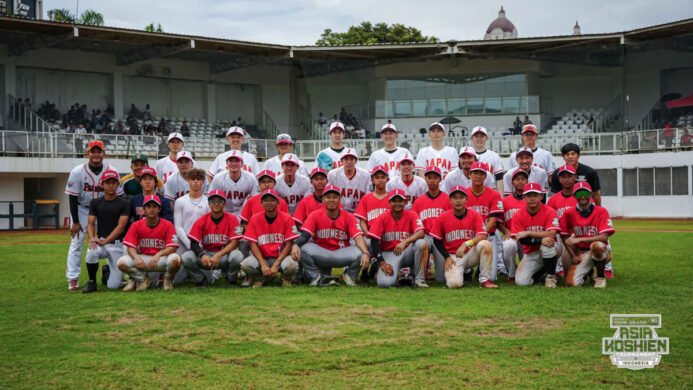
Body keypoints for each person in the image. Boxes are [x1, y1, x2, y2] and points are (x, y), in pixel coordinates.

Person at [64, 140, 122, 291]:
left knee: (110, 243)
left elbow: (120, 196)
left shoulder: (112, 170)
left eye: (99, 151)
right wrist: (75, 221)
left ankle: (111, 272)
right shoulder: (78, 171)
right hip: (82, 209)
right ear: (87, 153)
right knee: (76, 243)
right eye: (93, 151)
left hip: (104, 210)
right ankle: (73, 278)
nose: (96, 154)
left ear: (104, 154)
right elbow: (72, 197)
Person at [290, 185, 370, 286]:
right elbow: (305, 234)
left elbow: (358, 237)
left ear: (339, 199)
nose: (331, 200)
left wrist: (366, 252)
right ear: (323, 200)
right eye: (328, 197)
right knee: (301, 248)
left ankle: (349, 276)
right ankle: (316, 277)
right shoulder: (314, 215)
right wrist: (296, 244)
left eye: (334, 197)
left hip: (341, 253)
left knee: (361, 252)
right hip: (322, 253)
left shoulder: (349, 216)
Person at [430, 185, 497, 289]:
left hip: (471, 253)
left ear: (466, 199)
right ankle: (462, 274)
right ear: (450, 200)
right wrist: (446, 257)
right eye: (455, 198)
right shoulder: (443, 217)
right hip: (454, 256)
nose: (458, 201)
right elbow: (436, 240)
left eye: (461, 197)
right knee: (454, 284)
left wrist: (466, 244)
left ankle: (484, 280)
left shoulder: (475, 215)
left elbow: (482, 235)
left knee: (485, 244)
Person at [117, 195, 182, 291]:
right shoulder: (136, 225)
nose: (151, 209)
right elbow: (130, 247)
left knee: (175, 259)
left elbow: (173, 247)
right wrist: (136, 257)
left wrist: (159, 254)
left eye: (154, 206)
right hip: (144, 258)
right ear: (144, 209)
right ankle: (143, 279)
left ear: (159, 209)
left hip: (160, 259)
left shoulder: (168, 224)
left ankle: (167, 279)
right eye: (148, 206)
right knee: (121, 262)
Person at [182, 189, 244, 287]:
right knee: (186, 257)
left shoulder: (232, 219)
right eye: (213, 201)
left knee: (237, 256)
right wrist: (202, 255)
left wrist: (218, 255)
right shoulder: (201, 220)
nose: (216, 204)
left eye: (220, 201)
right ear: (209, 204)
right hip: (207, 255)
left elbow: (234, 243)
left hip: (224, 255)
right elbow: (193, 243)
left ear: (224, 204)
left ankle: (231, 279)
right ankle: (200, 280)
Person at [368, 189, 429, 288]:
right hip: (389, 253)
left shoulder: (411, 215)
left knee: (421, 243)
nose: (397, 203)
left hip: (407, 252)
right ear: (389, 202)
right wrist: (381, 262)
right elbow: (374, 241)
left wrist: (405, 241)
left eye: (400, 201)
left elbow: (421, 233)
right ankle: (377, 266)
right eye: (394, 201)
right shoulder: (382, 217)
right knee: (384, 284)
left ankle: (419, 279)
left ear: (405, 202)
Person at [559, 182, 615, 288]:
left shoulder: (601, 211)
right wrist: (572, 255)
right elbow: (564, 235)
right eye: (579, 193)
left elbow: (604, 237)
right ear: (574, 196)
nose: (582, 196)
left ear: (590, 194)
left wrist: (580, 240)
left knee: (596, 245)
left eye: (585, 192)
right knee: (571, 283)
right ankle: (588, 273)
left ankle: (600, 277)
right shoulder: (569, 213)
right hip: (581, 252)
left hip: (599, 250)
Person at [83, 170, 131, 293]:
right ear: (102, 184)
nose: (111, 185)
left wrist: (106, 241)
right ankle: (92, 282)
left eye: (114, 183)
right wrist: (92, 238)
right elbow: (90, 223)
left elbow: (121, 227)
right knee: (91, 252)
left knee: (113, 286)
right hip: (102, 241)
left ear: (118, 184)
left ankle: (106, 272)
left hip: (117, 245)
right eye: (108, 182)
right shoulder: (95, 202)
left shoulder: (124, 203)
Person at [241, 189, 300, 287]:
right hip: (262, 257)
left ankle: (286, 278)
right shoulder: (255, 218)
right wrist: (262, 263)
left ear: (278, 202)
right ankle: (260, 278)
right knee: (246, 265)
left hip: (281, 257)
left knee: (292, 265)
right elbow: (252, 243)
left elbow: (289, 244)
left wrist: (276, 264)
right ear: (261, 203)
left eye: (272, 200)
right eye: (266, 200)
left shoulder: (287, 218)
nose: (269, 203)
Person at [512, 183, 562, 288]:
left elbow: (551, 234)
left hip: (552, 247)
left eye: (535, 195)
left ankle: (551, 277)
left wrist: (529, 233)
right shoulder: (518, 215)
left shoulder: (550, 211)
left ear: (541, 196)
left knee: (547, 243)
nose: (532, 198)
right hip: (531, 252)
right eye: (529, 195)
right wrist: (539, 239)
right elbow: (521, 240)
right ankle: (543, 274)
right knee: (522, 282)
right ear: (524, 197)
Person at [465, 161, 505, 281]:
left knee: (491, 278)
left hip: (488, 237)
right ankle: (467, 270)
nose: (478, 176)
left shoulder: (494, 195)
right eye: (475, 173)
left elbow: (493, 221)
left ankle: (480, 270)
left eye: (481, 173)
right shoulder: (463, 194)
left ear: (485, 176)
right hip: (469, 237)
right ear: (469, 175)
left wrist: (480, 235)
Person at [411, 166, 450, 282]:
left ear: (440, 179)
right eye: (429, 177)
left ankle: (434, 274)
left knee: (441, 279)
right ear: (425, 179)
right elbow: (414, 223)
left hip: (441, 237)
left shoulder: (447, 199)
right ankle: (420, 277)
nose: (432, 180)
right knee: (420, 244)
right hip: (426, 236)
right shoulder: (419, 201)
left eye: (435, 177)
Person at [172, 168, 211, 284]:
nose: (195, 182)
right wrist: (190, 244)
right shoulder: (180, 201)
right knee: (177, 281)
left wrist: (198, 246)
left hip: (202, 243)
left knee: (211, 279)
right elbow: (178, 226)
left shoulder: (208, 201)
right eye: (192, 179)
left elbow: (209, 225)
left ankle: (201, 277)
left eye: (198, 179)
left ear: (203, 182)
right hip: (184, 243)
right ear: (188, 181)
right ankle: (196, 277)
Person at [497, 169, 529, 284]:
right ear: (512, 182)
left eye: (523, 179)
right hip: (512, 235)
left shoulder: (532, 199)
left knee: (526, 271)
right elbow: (499, 221)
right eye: (517, 179)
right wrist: (505, 231)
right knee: (508, 246)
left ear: (527, 181)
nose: (520, 182)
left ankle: (524, 271)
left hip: (527, 236)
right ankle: (511, 274)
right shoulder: (505, 201)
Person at [209, 150, 258, 217]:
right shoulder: (218, 178)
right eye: (231, 161)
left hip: (242, 213)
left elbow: (255, 199)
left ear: (242, 164)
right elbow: (210, 198)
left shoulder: (250, 178)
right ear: (227, 163)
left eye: (237, 161)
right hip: (222, 213)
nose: (234, 163)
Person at [327, 148, 370, 213]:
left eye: (351, 159)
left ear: (355, 161)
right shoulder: (332, 175)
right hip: (338, 213)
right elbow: (328, 197)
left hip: (359, 213)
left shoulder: (365, 175)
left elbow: (368, 198)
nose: (349, 162)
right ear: (342, 161)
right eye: (346, 159)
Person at [354, 165, 391, 236]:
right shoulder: (366, 198)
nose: (380, 180)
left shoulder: (392, 197)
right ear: (372, 180)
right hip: (371, 233)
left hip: (389, 234)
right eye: (377, 178)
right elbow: (362, 221)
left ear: (387, 179)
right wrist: (366, 233)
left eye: (383, 177)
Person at [470, 126, 505, 193]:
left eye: (482, 136)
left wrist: (500, 199)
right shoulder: (467, 157)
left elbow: (499, 179)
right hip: (471, 193)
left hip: (490, 193)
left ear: (486, 138)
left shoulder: (494, 156)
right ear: (472, 138)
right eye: (476, 136)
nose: (479, 139)